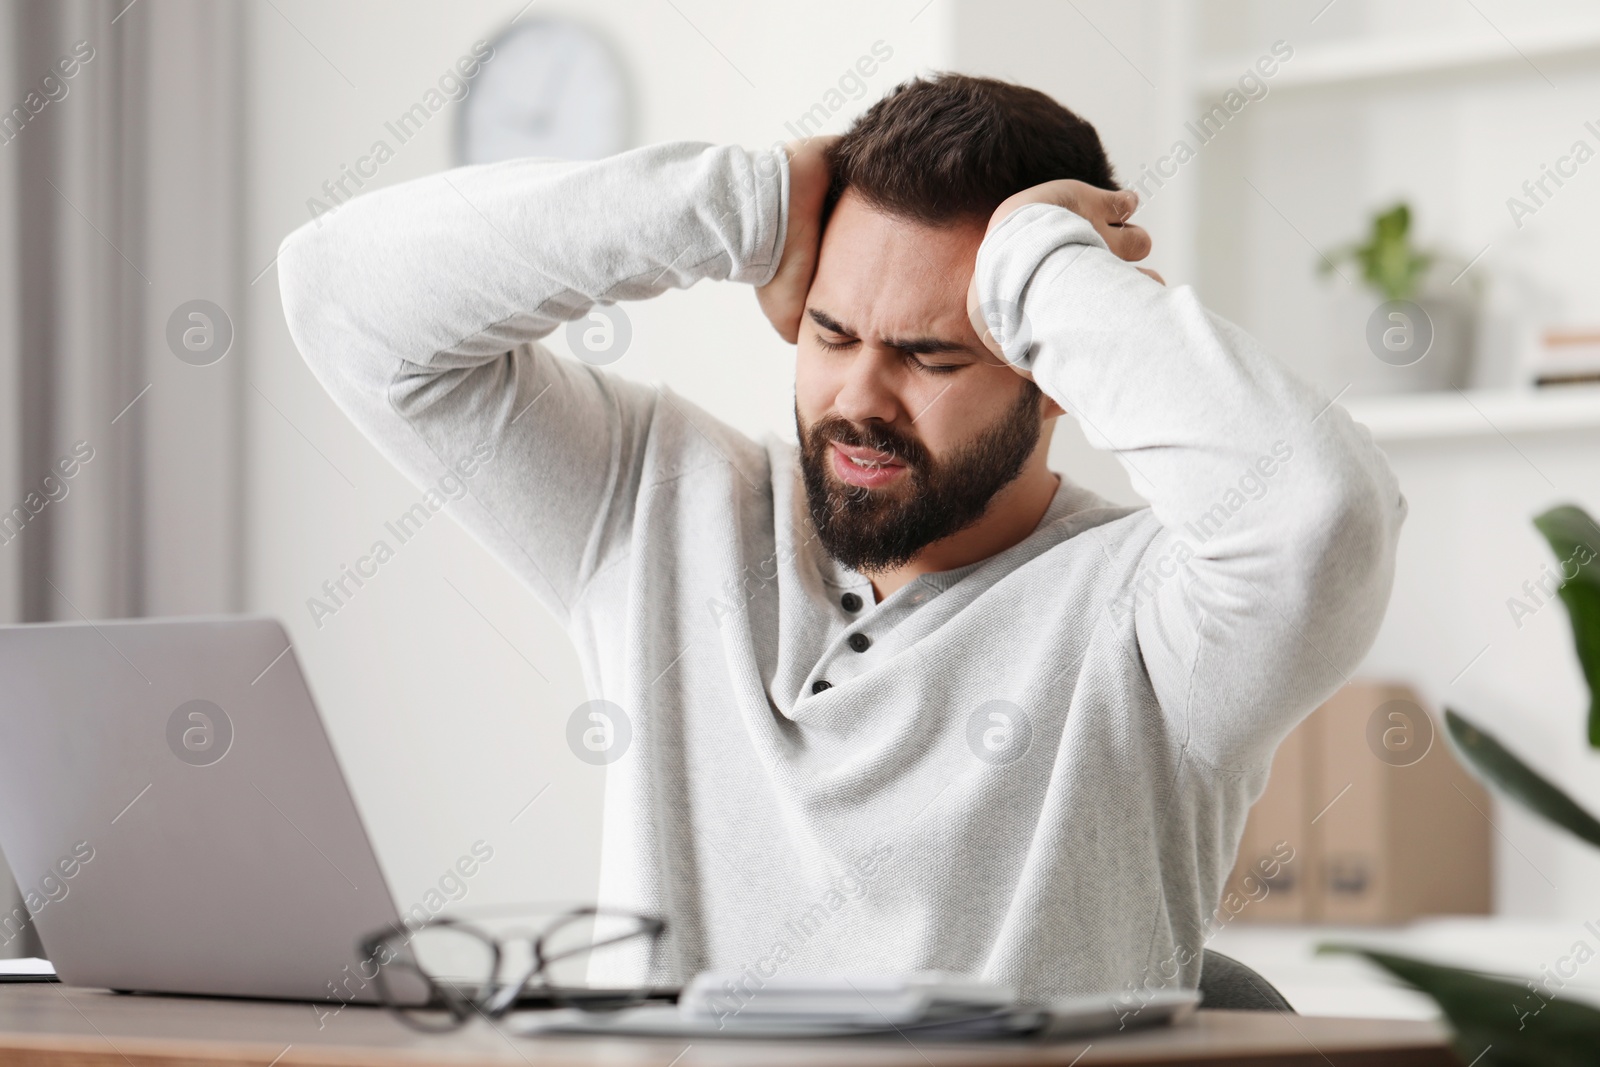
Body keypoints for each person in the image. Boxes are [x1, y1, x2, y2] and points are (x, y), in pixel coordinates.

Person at [277, 72, 1405, 1003]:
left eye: (932, 353)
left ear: (1055, 375)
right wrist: (747, 204)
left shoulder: (1160, 625)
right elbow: (342, 298)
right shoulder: (657, 505)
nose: (858, 396)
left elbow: (1321, 515)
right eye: (829, 331)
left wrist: (1046, 274)